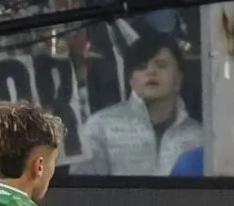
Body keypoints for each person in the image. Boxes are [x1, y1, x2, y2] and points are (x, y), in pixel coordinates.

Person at [76, 35, 202, 177]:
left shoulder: (198, 136)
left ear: (178, 79)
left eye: (161, 65)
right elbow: (82, 193)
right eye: (142, 67)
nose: (151, 72)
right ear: (131, 80)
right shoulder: (100, 127)